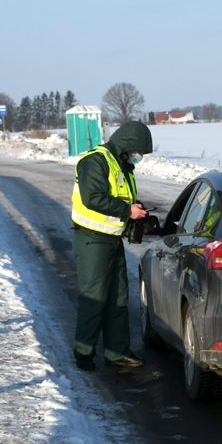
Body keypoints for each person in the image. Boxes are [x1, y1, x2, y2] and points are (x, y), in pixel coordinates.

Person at [71, 121, 152, 371]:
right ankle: (83, 352)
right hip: (92, 240)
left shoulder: (120, 164)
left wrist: (135, 210)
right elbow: (93, 197)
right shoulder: (96, 161)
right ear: (127, 145)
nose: (138, 157)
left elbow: (119, 197)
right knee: (94, 297)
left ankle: (117, 353)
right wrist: (128, 210)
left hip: (111, 239)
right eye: (138, 151)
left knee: (118, 297)